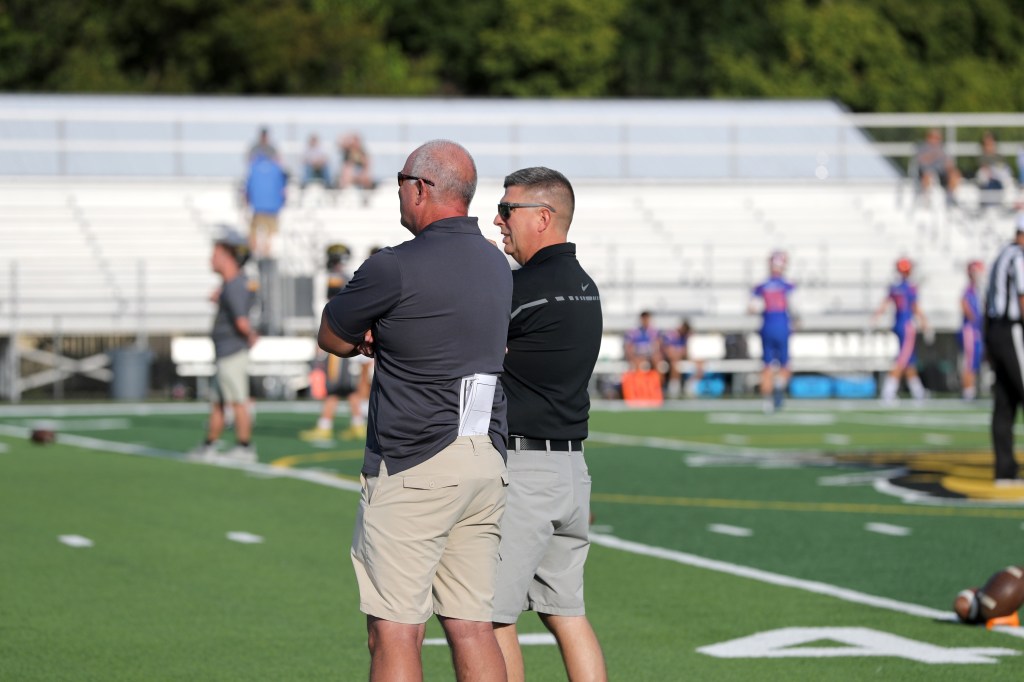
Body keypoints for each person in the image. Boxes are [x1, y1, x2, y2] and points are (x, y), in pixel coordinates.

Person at [317, 140, 512, 681]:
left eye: (402, 181)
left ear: (422, 188)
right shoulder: (496, 263)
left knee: (395, 631)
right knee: (472, 625)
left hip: (415, 460)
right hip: (484, 454)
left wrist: (372, 338)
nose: (399, 191)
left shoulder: (394, 266)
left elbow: (332, 335)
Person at [489, 167, 607, 682]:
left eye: (506, 210)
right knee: (566, 613)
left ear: (542, 217)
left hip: (524, 471)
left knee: (490, 618)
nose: (498, 220)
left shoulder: (521, 289)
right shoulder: (586, 285)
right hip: (571, 469)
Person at [191, 228, 258, 463]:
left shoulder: (235, 285)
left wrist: (250, 335)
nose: (211, 259)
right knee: (218, 402)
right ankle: (209, 444)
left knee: (238, 400)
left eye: (216, 255)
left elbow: (242, 321)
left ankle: (245, 447)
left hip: (232, 352)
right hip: (225, 351)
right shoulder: (231, 284)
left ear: (228, 257)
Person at [300, 244, 372, 442]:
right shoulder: (346, 277)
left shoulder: (335, 278)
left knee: (334, 384)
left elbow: (334, 307)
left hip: (335, 334)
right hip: (343, 333)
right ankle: (357, 423)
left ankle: (325, 424)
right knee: (345, 386)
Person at [985, 216, 1024, 485]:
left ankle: (1005, 469)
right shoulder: (1018, 258)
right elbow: (1022, 299)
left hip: (996, 331)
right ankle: (1005, 468)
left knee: (1005, 401)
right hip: (1012, 331)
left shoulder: (1002, 255)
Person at [871, 258, 929, 404]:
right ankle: (888, 392)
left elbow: (884, 305)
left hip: (897, 325)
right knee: (902, 360)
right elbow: (915, 307)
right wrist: (924, 323)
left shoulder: (894, 287)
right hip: (907, 326)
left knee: (909, 360)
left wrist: (875, 318)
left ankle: (918, 392)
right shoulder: (910, 288)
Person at [749, 251, 796, 412]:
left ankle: (767, 401)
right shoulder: (788, 285)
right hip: (782, 326)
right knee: (785, 364)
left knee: (767, 365)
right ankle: (778, 385)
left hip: (767, 326)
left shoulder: (761, 286)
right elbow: (795, 308)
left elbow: (752, 308)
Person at [245, 152, 287, 260]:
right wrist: (282, 203)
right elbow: (283, 189)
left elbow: (248, 188)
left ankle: (253, 254)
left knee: (254, 232)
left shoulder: (254, 168)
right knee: (271, 235)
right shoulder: (276, 169)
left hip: (258, 207)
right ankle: (267, 254)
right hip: (273, 208)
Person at [914, 128, 961, 205]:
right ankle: (926, 201)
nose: (936, 140)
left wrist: (949, 167)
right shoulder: (922, 147)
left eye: (938, 138)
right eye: (934, 137)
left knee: (955, 174)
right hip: (926, 173)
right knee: (928, 176)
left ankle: (950, 199)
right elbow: (921, 161)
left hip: (941, 173)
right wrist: (933, 155)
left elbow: (949, 163)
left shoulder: (942, 148)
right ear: (928, 137)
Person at [960, 260, 984, 401]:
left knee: (974, 361)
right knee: (969, 361)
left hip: (977, 330)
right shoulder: (969, 290)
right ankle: (968, 391)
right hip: (970, 330)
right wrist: (974, 319)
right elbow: (963, 304)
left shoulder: (977, 290)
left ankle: (971, 389)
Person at [976, 131, 1013, 210]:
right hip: (986, 188)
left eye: (990, 143)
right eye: (986, 144)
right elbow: (981, 177)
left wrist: (994, 172)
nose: (988, 146)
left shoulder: (1000, 158)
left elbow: (1005, 174)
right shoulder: (980, 159)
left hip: (999, 187)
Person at [659, 318, 694, 399]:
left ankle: (690, 386)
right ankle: (673, 389)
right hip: (667, 358)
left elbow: (686, 351)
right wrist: (679, 353)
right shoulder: (671, 335)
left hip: (679, 358)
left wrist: (680, 353)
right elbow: (668, 351)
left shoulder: (685, 336)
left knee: (698, 362)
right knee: (675, 362)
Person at [337, 132, 376, 200]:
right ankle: (342, 195)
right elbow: (339, 143)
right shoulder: (347, 152)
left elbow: (367, 164)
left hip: (360, 175)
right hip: (349, 175)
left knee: (366, 178)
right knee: (347, 171)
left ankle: (366, 198)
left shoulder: (362, 152)